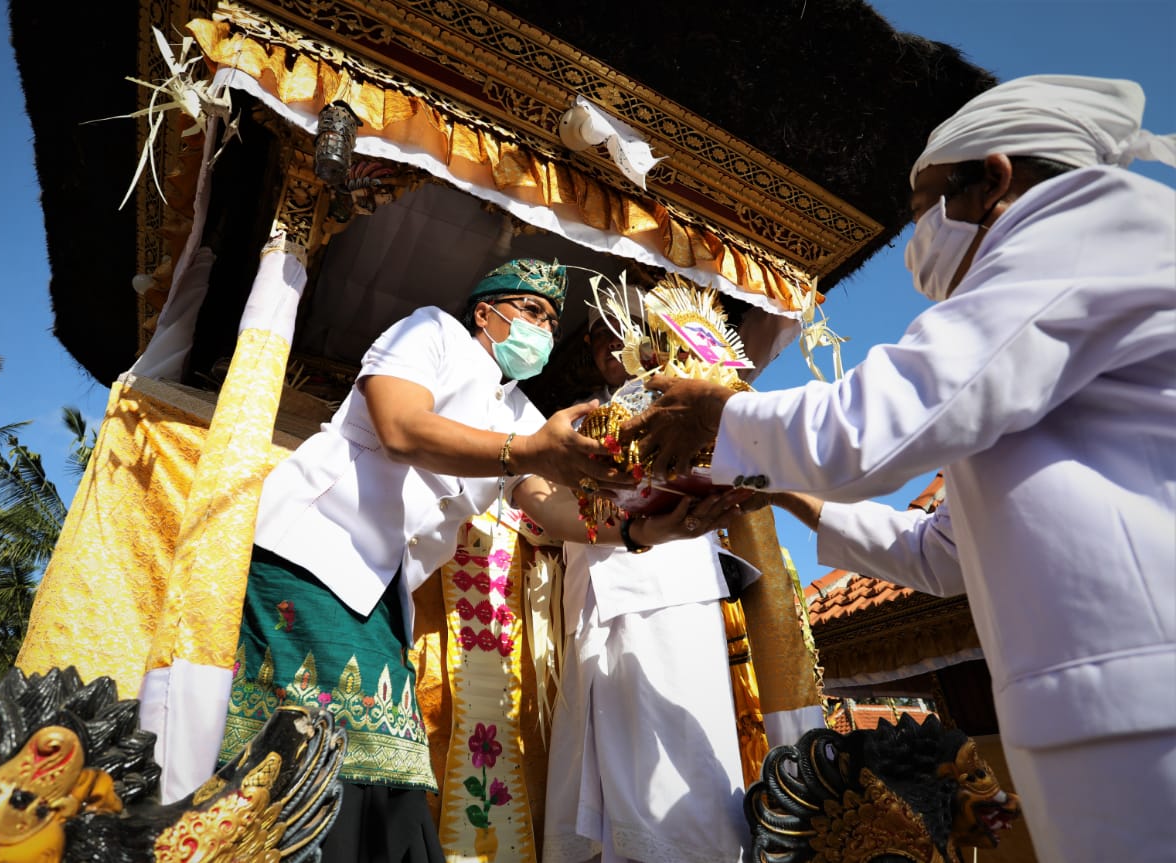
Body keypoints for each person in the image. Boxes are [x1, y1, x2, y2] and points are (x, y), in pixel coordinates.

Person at [618, 75, 1176, 862]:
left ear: (993, 178)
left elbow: (878, 422)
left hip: (1144, 695)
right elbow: (942, 554)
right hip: (1099, 705)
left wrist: (721, 412)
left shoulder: (1084, 222)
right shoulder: (1037, 315)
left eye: (921, 208)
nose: (916, 237)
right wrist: (788, 492)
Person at [221, 258, 742, 863]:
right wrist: (529, 451)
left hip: (382, 595)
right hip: (314, 555)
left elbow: (553, 508)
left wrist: (645, 528)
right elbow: (400, 427)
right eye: (531, 310)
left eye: (551, 322)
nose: (542, 329)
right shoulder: (430, 331)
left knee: (388, 781)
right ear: (485, 312)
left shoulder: (518, 411)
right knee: (313, 771)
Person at [543, 301, 753, 863]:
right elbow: (548, 503)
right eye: (600, 338)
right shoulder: (574, 420)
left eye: (625, 331)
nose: (613, 344)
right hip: (592, 593)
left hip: (673, 587)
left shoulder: (696, 396)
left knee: (676, 757)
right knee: (593, 761)